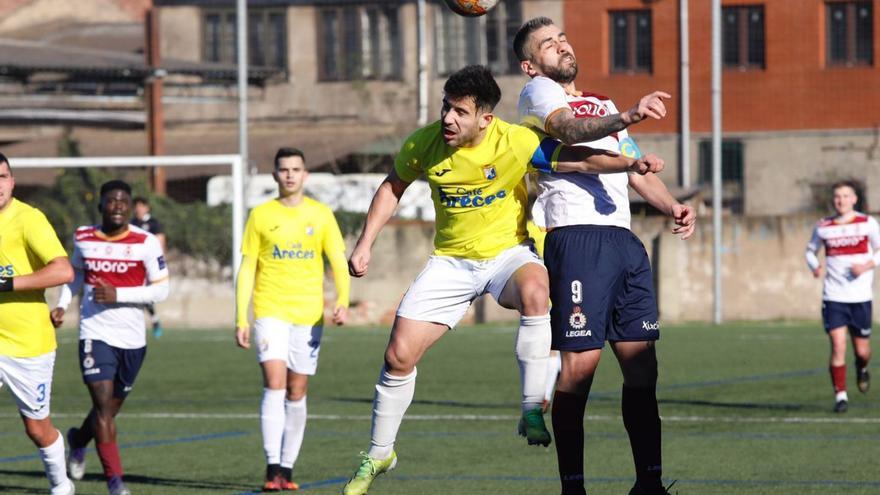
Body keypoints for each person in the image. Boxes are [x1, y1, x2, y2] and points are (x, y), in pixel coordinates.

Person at [342, 64, 665, 495]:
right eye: (446, 108)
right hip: (450, 262)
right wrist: (365, 243)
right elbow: (392, 186)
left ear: (485, 118)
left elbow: (575, 158)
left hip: (507, 255)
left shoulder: (514, 139)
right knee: (398, 355)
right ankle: (380, 453)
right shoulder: (425, 143)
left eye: (459, 111)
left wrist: (630, 163)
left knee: (537, 291)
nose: (448, 119)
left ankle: (532, 407)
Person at [514, 17, 697, 495]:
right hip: (577, 239)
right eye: (547, 44)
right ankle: (573, 488)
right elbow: (572, 132)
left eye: (562, 38)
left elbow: (633, 166)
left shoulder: (606, 102)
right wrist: (629, 116)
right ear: (530, 65)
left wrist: (672, 204)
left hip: (623, 240)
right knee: (580, 368)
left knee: (643, 367)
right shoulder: (538, 96)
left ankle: (649, 484)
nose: (561, 46)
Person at [234, 147, 350, 491]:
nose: (289, 174)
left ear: (305, 175)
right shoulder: (260, 216)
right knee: (275, 383)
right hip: (270, 311)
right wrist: (241, 317)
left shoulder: (322, 214)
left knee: (297, 391)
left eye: (296, 169)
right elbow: (246, 270)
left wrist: (343, 300)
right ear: (274, 175)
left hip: (309, 314)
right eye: (283, 169)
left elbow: (338, 262)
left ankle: (287, 467)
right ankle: (272, 468)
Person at [51, 180, 170, 495]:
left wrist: (119, 293)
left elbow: (162, 288)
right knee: (103, 408)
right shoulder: (84, 237)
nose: (118, 205)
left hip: (132, 340)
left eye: (123, 201)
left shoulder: (145, 242)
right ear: (101, 205)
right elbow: (74, 275)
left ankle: (78, 440)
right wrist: (62, 304)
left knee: (109, 410)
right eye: (112, 200)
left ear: (130, 207)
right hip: (95, 333)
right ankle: (115, 482)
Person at [0, 153, 76, 495]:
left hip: (28, 345)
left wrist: (7, 284)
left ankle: (61, 484)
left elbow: (63, 271)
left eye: (2, 177)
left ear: (12, 181)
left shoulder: (29, 219)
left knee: (37, 429)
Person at [805, 181, 878, 413]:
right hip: (834, 297)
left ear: (854, 199)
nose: (841, 200)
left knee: (862, 351)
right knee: (837, 345)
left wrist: (866, 266)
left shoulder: (867, 223)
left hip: (860, 298)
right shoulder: (824, 226)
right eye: (837, 196)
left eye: (846, 196)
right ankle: (841, 396)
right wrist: (815, 265)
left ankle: (862, 367)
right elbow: (810, 250)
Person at [131, 197, 165, 338]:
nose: (138, 209)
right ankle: (152, 320)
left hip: (149, 265)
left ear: (147, 207)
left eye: (141, 206)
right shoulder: (131, 223)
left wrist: (160, 262)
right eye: (136, 206)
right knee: (136, 295)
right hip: (133, 265)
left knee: (145, 294)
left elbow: (160, 241)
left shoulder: (153, 223)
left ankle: (154, 320)